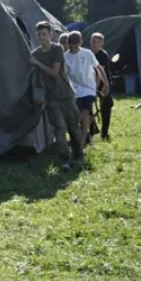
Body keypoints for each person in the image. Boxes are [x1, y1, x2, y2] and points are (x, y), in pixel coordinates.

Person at [30, 21, 84, 170]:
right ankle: (65, 159)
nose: (42, 37)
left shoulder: (57, 49)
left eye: (44, 34)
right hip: (52, 98)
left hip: (66, 94)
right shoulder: (35, 54)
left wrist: (38, 63)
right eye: (39, 34)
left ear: (50, 34)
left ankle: (78, 153)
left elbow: (54, 72)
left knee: (73, 126)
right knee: (59, 128)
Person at [64, 31, 108, 148]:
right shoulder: (65, 57)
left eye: (76, 46)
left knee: (85, 115)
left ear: (81, 43)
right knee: (76, 117)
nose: (74, 49)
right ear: (68, 44)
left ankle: (81, 143)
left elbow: (99, 69)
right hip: (73, 91)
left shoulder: (87, 54)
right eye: (72, 47)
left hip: (88, 89)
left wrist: (105, 84)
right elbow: (63, 76)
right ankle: (80, 138)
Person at [89, 32, 114, 140]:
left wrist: (96, 88)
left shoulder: (103, 55)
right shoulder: (88, 54)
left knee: (106, 107)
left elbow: (99, 73)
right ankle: (92, 129)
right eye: (94, 41)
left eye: (98, 42)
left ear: (102, 43)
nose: (95, 44)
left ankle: (104, 133)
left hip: (103, 84)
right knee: (87, 108)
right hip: (90, 83)